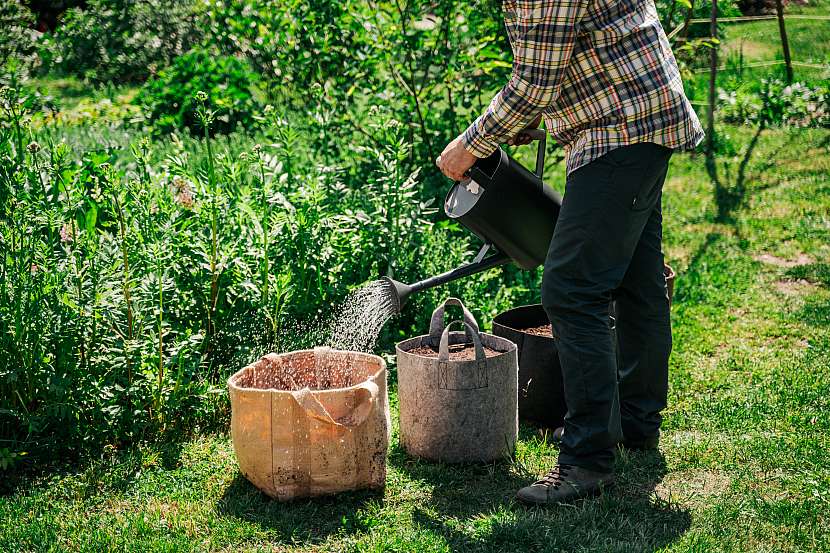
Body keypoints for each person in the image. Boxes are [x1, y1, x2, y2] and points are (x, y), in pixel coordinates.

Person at [436, 0, 704, 505]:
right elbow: (566, 53)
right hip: (639, 118)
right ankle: (634, 422)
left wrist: (470, 144)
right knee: (636, 282)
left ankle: (585, 461)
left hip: (620, 130)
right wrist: (527, 120)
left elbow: (536, 80)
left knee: (571, 290)